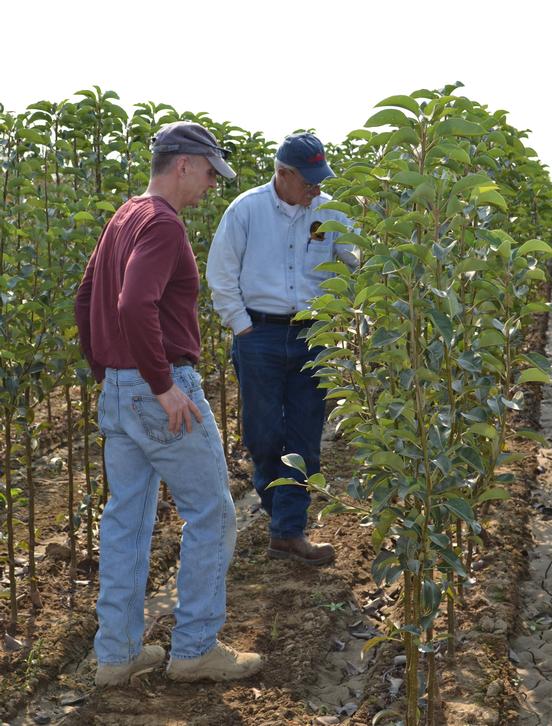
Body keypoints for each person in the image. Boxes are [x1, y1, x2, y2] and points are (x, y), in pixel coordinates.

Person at [75, 121, 262, 687]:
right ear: (183, 164)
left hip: (118, 390)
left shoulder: (125, 216)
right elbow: (134, 304)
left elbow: (87, 300)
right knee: (213, 513)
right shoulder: (162, 225)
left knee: (126, 522)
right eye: (209, 173)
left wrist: (108, 373)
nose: (211, 185)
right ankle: (195, 649)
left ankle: (116, 655)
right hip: (160, 391)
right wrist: (158, 383)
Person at [206, 132, 356, 567]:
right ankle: (281, 516)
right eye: (307, 180)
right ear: (282, 174)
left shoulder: (328, 210)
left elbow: (357, 257)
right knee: (264, 435)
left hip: (314, 335)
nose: (315, 188)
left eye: (319, 180)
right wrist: (242, 327)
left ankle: (289, 531)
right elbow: (221, 273)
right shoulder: (246, 210)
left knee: (306, 436)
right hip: (261, 335)